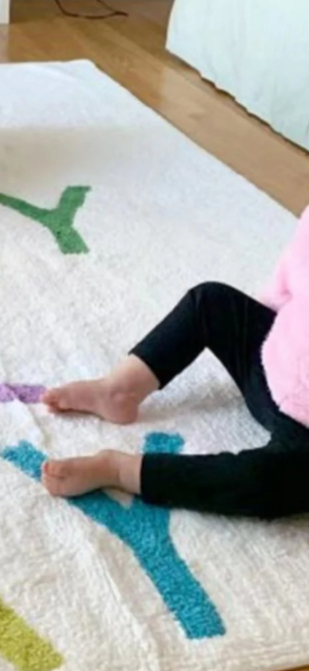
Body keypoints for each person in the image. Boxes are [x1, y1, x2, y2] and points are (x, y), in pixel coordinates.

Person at [40, 208, 309, 518]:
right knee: (210, 300)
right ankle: (120, 389)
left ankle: (122, 471)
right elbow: (289, 276)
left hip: (302, 435)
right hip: (274, 359)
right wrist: (262, 318)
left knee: (266, 482)